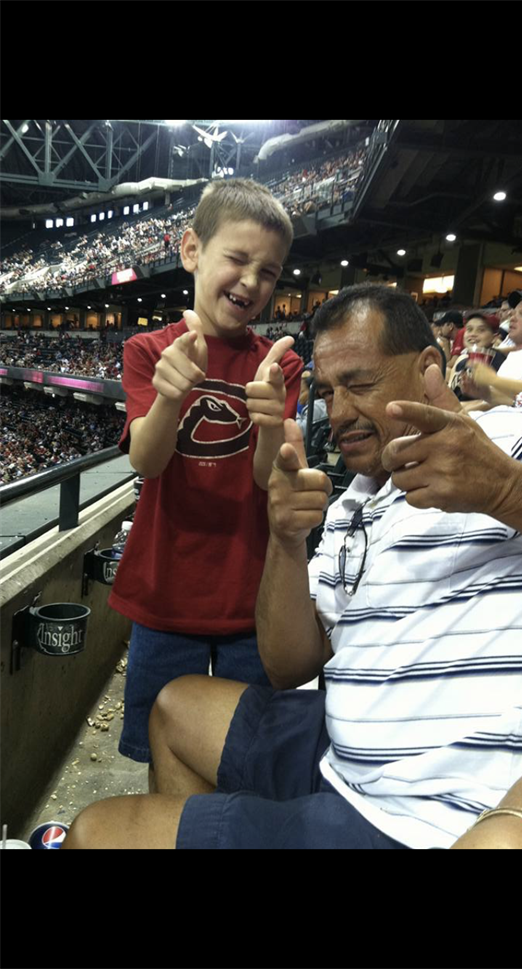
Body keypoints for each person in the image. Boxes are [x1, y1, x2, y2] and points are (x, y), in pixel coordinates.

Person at [64, 284, 522, 849]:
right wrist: (286, 539)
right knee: (177, 705)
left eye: (361, 384)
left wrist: (505, 489)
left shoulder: (517, 440)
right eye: (326, 389)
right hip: (341, 747)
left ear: (428, 367)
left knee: (98, 834)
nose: (339, 413)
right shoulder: (349, 504)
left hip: (446, 803)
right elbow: (289, 665)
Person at [108, 178, 303, 772]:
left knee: (249, 758)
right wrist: (170, 395)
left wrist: (271, 423)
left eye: (268, 272)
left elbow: (266, 478)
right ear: (192, 250)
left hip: (251, 601)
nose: (251, 281)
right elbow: (147, 461)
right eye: (238, 259)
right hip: (165, 593)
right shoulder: (149, 350)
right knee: (165, 757)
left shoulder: (280, 362)